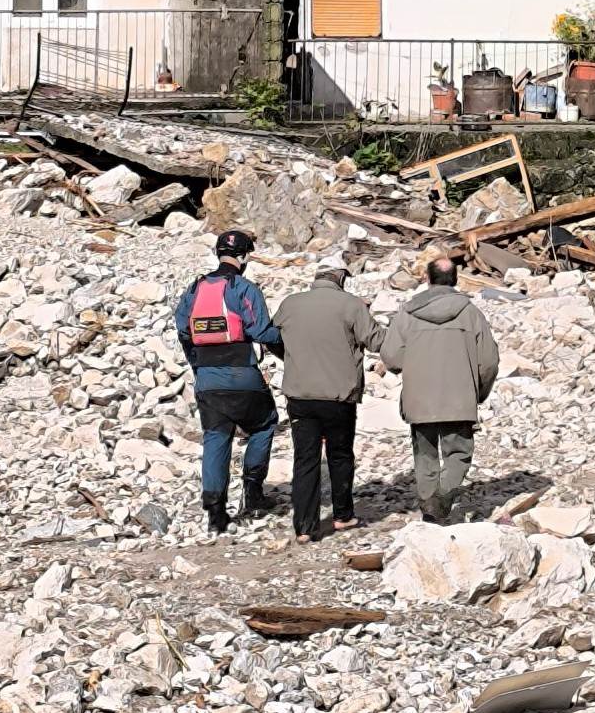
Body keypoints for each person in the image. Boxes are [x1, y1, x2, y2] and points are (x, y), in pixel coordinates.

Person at [174, 229, 283, 534]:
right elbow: (262, 332)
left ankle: (215, 512)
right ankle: (253, 492)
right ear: (245, 257)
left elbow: (184, 331)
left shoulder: (194, 289)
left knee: (215, 436)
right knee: (264, 423)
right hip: (242, 374)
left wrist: (198, 365)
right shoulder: (245, 288)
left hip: (207, 378)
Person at [381, 256, 499, 524]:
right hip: (459, 398)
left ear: (427, 278)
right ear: (455, 280)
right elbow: (489, 360)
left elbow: (391, 358)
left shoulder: (407, 314)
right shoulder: (470, 314)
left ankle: (429, 503)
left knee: (425, 455)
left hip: (419, 399)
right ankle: (443, 497)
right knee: (458, 453)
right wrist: (478, 392)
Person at [275, 252, 385, 541]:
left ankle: (304, 528)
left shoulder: (290, 303)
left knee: (305, 459)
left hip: (300, 394)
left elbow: (273, 337)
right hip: (339, 395)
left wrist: (292, 358)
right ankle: (343, 515)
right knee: (339, 455)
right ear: (341, 277)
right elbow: (377, 341)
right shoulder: (351, 305)